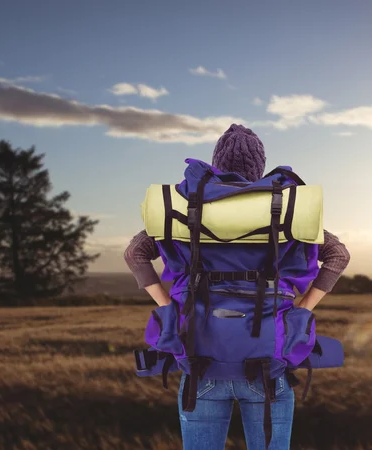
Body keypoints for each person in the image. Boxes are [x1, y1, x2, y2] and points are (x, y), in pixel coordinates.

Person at [125, 124, 350, 450]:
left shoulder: (189, 204)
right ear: (258, 167)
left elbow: (135, 254)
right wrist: (302, 309)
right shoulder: (283, 207)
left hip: (200, 366)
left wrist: (166, 308)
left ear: (216, 161)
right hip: (269, 367)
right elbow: (338, 255)